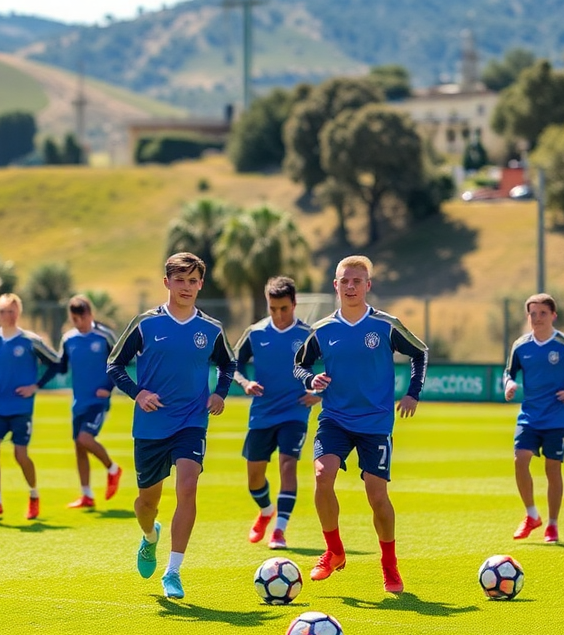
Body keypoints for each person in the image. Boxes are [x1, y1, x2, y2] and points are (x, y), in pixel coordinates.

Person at [294, 255, 428, 594]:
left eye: (357, 281)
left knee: (377, 496)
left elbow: (420, 353)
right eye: (344, 280)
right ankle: (334, 551)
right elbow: (299, 366)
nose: (350, 286)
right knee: (322, 476)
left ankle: (389, 565)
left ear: (368, 286)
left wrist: (413, 393)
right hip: (335, 418)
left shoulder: (385, 324)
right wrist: (312, 378)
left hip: (375, 423)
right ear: (335, 285)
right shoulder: (322, 330)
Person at [106, 252, 235, 600]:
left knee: (188, 487)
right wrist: (138, 392)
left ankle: (174, 571)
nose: (187, 287)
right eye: (180, 280)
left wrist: (220, 394)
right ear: (166, 282)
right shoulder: (145, 324)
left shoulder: (210, 329)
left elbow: (228, 365)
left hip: (192, 421)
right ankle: (150, 537)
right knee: (146, 503)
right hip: (150, 425)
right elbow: (114, 364)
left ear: (201, 284)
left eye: (193, 281)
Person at [502, 293, 564, 544]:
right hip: (530, 415)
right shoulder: (521, 345)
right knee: (520, 459)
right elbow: (509, 372)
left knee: (551, 468)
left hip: (557, 416)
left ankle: (553, 525)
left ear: (553, 315)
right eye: (532, 314)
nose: (537, 318)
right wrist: (510, 384)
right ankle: (531, 515)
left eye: (542, 313)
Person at [233, 276, 320, 550]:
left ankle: (279, 530)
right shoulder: (255, 333)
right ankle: (266, 510)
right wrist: (246, 383)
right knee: (254, 478)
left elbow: (337, 366)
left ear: (294, 304)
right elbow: (234, 365)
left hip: (295, 411)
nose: (279, 315)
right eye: (273, 309)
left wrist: (318, 394)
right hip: (262, 412)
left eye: (284, 308)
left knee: (287, 465)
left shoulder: (308, 334)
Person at [0, 293, 63, 521]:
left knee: (20, 454)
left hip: (21, 407)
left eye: (11, 311)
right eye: (3, 311)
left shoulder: (30, 340)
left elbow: (56, 363)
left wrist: (36, 386)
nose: (7, 315)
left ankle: (33, 494)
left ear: (19, 313)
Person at [58, 295, 123, 509]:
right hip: (79, 402)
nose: (79, 322)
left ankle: (112, 469)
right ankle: (86, 495)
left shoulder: (104, 336)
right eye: (74, 319)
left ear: (90, 315)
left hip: (98, 401)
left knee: (85, 438)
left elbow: (119, 362)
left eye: (82, 317)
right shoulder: (69, 340)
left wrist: (109, 387)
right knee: (79, 446)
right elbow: (59, 365)